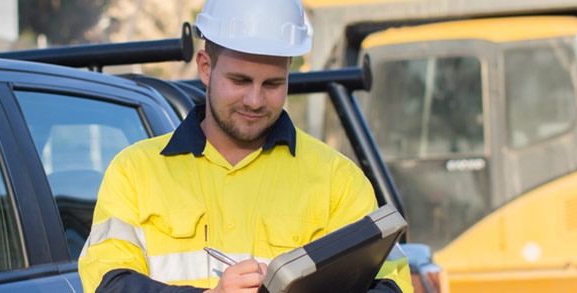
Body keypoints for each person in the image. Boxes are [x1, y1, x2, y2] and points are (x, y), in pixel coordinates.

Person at [76, 0, 411, 292]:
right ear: (205, 67)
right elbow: (108, 283)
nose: (255, 100)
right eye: (240, 81)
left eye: (273, 84)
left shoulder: (338, 180)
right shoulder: (135, 172)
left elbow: (392, 283)